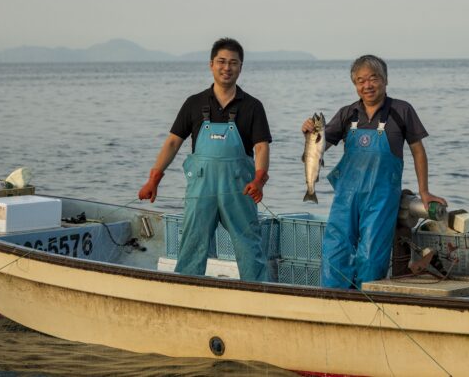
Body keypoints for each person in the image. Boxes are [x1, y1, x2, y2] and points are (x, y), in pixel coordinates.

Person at [302, 55, 446, 289]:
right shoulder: (347, 114)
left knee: (370, 256)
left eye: (373, 78)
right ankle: (334, 302)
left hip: (381, 199)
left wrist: (424, 192)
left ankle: (367, 304)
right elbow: (321, 147)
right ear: (355, 85)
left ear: (385, 80)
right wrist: (310, 134)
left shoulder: (402, 110)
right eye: (360, 80)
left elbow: (419, 152)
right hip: (345, 197)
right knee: (334, 252)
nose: (367, 85)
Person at [138, 38, 272, 282]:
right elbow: (172, 143)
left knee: (249, 245)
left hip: (240, 190)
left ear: (241, 67)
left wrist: (260, 179)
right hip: (201, 190)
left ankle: (257, 293)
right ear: (211, 64)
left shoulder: (253, 106)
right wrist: (153, 179)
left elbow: (262, 146)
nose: (227, 67)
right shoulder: (194, 103)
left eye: (233, 63)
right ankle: (186, 293)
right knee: (193, 242)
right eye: (221, 61)